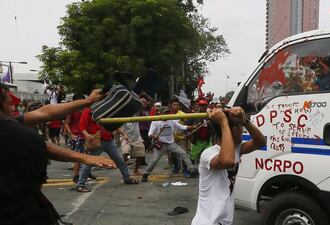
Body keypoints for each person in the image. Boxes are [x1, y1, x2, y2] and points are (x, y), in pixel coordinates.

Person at [0, 83, 116, 225]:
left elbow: (45, 112)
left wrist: (88, 101)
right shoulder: (12, 131)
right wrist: (84, 157)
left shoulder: (12, 124)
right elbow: (42, 146)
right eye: (9, 102)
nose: (13, 107)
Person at [191, 107, 266, 225]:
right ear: (235, 130)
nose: (243, 131)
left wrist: (245, 121)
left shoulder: (237, 149)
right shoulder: (209, 153)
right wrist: (224, 122)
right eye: (241, 128)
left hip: (224, 221)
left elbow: (261, 142)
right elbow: (227, 161)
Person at [76, 107, 139, 192]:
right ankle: (80, 185)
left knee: (119, 159)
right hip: (96, 140)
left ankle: (127, 178)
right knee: (89, 162)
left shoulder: (106, 109)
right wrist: (86, 134)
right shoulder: (88, 111)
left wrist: (124, 134)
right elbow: (81, 126)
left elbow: (114, 124)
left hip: (108, 140)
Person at [141, 106, 197, 182]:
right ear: (160, 113)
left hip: (171, 143)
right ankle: (145, 174)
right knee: (154, 161)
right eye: (165, 113)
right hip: (160, 144)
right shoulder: (156, 121)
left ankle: (192, 169)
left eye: (167, 112)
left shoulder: (172, 120)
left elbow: (182, 127)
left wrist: (192, 126)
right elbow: (150, 133)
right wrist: (153, 136)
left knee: (183, 153)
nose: (167, 114)